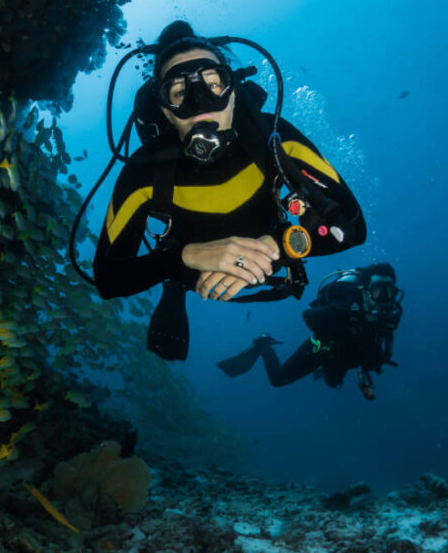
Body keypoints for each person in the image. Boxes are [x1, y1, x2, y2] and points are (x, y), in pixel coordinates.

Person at [92, 21, 366, 360]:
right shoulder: (144, 172)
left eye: (213, 83)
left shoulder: (275, 138)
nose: (199, 103)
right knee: (173, 275)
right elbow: (108, 278)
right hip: (188, 271)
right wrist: (183, 257)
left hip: (274, 252)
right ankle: (174, 286)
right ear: (164, 109)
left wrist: (279, 245)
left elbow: (353, 226)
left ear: (233, 91)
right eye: (178, 92)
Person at [216, 263, 403, 400]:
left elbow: (383, 345)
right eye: (379, 292)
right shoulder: (342, 307)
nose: (385, 299)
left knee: (333, 383)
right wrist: (334, 324)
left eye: (390, 292)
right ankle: (264, 343)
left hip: (349, 356)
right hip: (321, 351)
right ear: (364, 291)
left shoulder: (388, 318)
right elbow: (309, 315)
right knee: (278, 379)